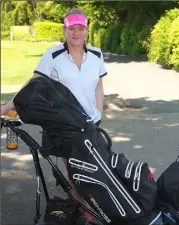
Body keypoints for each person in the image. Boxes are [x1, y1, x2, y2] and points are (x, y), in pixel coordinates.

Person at [1, 8, 107, 223]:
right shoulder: (53, 55)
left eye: (81, 29)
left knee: (95, 171)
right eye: (71, 29)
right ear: (64, 30)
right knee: (76, 173)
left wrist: (99, 111)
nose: (76, 33)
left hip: (91, 124)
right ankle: (83, 215)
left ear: (86, 30)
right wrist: (5, 108)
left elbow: (99, 86)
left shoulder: (96, 55)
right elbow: (33, 86)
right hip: (65, 125)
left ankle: (87, 210)